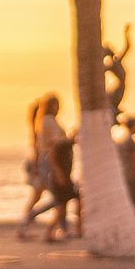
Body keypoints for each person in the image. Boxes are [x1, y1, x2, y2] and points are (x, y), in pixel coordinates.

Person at [34, 95, 80, 242]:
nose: (59, 108)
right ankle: (29, 219)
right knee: (59, 197)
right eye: (56, 105)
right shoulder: (48, 121)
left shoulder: (47, 121)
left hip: (52, 159)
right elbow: (55, 143)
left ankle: (63, 228)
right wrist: (69, 139)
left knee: (61, 197)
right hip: (52, 159)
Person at [16, 99, 52, 240]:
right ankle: (24, 224)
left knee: (38, 196)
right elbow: (35, 149)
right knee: (43, 196)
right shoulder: (38, 127)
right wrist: (37, 167)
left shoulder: (38, 126)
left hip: (37, 164)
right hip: (38, 165)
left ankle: (24, 224)